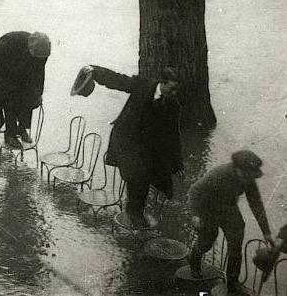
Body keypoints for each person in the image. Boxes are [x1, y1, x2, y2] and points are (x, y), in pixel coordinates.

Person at [74, 65, 184, 228]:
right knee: (137, 173)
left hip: (146, 145)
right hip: (126, 139)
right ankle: (134, 212)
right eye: (172, 89)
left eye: (177, 90)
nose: (174, 94)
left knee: (145, 174)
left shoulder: (173, 106)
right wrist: (95, 72)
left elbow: (173, 135)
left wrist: (177, 163)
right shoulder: (142, 85)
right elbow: (118, 80)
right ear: (162, 82)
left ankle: (134, 210)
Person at [188, 151, 273, 295]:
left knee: (236, 245)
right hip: (208, 208)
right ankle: (194, 261)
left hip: (229, 208)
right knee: (207, 241)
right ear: (237, 168)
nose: (249, 177)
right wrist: (196, 215)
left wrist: (266, 232)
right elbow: (194, 190)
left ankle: (232, 283)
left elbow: (256, 204)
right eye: (246, 173)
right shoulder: (219, 173)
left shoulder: (248, 179)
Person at [0, 31, 50, 149]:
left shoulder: (41, 53)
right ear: (31, 49)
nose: (39, 60)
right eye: (36, 56)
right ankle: (10, 134)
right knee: (9, 102)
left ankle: (21, 129)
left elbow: (39, 74)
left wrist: (38, 93)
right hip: (2, 72)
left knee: (29, 99)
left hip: (21, 74)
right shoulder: (11, 42)